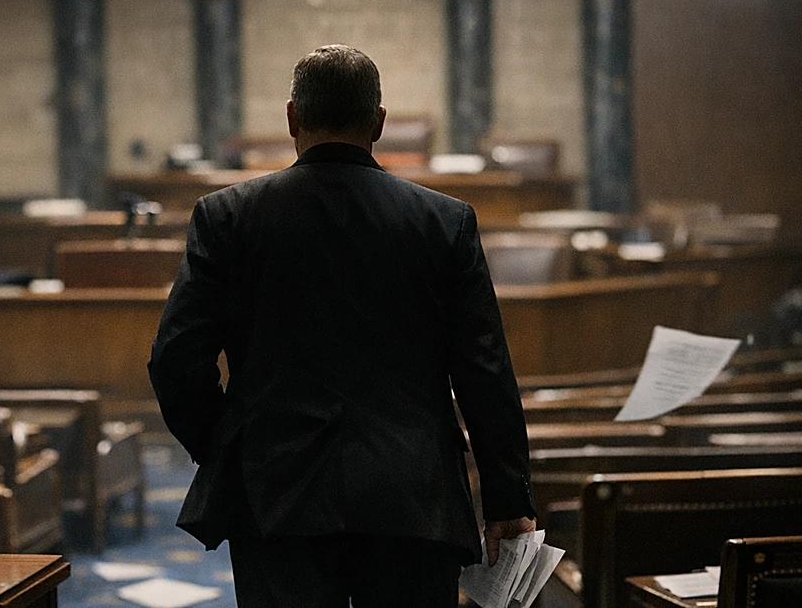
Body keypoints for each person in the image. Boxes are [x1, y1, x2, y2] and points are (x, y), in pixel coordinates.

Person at [148, 45, 536, 607]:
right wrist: (508, 497)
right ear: (378, 122)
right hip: (413, 497)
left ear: (292, 118)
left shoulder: (228, 217)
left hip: (276, 493)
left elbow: (176, 360)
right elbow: (484, 370)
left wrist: (231, 446)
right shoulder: (445, 221)